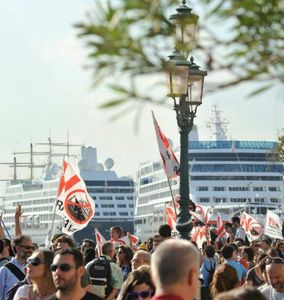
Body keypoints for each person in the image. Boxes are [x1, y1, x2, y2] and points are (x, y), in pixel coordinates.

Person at [0, 235, 34, 299]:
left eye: (32, 248)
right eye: (27, 247)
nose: (30, 250)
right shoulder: (4, 270)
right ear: (17, 248)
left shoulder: (34, 269)